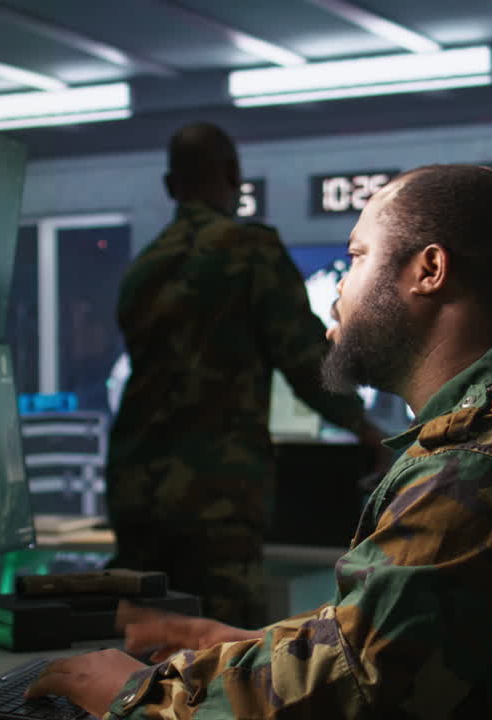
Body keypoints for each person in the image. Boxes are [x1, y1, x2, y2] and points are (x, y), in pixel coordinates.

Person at [29, 163, 492, 718]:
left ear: (429, 270)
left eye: (358, 258)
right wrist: (237, 643)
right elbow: (390, 643)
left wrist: (141, 695)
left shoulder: (480, 468)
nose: (339, 286)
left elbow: (351, 696)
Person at [104, 122, 388, 628]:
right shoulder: (250, 250)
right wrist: (365, 428)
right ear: (233, 175)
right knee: (222, 649)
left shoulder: (143, 268)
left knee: (143, 638)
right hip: (217, 490)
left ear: (171, 188)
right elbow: (306, 359)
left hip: (136, 488)